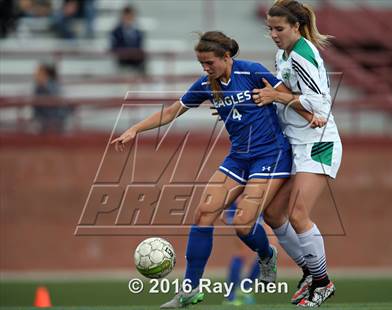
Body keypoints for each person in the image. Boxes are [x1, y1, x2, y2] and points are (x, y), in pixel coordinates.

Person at [112, 31, 322, 309]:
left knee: (243, 223)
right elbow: (173, 111)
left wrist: (312, 116)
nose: (205, 68)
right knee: (203, 212)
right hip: (238, 158)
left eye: (210, 62)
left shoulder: (252, 71)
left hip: (271, 155)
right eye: (201, 63)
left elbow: (286, 96)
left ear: (226, 57)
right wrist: (135, 129)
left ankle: (266, 255)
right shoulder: (207, 84)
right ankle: (190, 289)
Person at [253, 0, 342, 307]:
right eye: (270, 29)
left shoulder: (304, 54)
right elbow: (286, 97)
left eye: (279, 29)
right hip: (295, 141)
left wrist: (275, 95)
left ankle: (323, 282)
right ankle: (309, 272)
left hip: (319, 141)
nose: (274, 35)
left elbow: (318, 107)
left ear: (295, 27)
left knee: (297, 213)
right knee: (273, 213)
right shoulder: (283, 54)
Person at [110, 5, 146, 73]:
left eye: (131, 16)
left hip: (136, 62)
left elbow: (140, 47)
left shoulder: (138, 32)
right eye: (127, 16)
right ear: (123, 17)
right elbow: (114, 47)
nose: (129, 19)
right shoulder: (115, 32)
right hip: (122, 61)